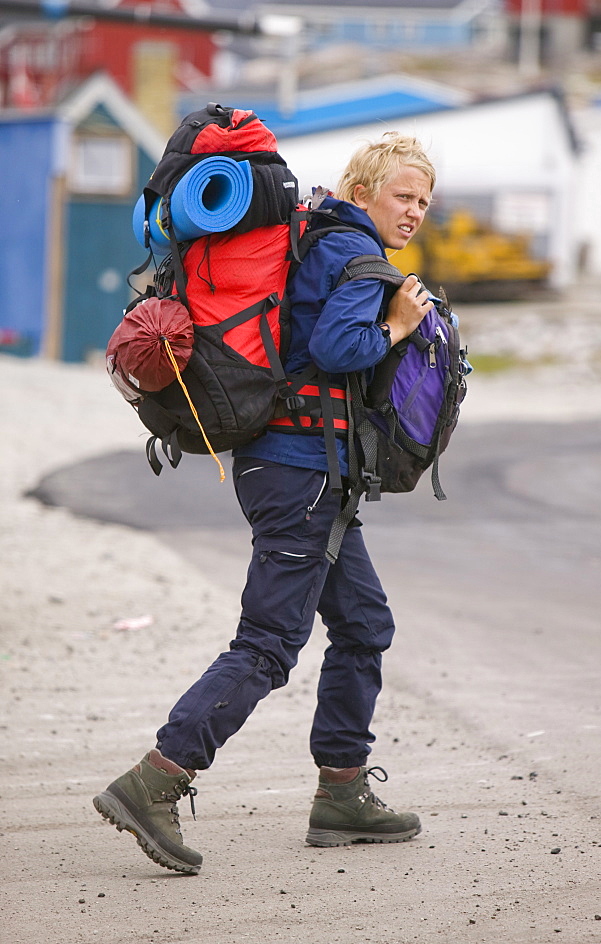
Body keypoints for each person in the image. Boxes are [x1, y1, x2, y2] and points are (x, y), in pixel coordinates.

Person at [93, 131, 436, 874]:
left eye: (424, 203)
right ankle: (156, 779)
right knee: (270, 642)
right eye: (404, 196)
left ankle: (341, 791)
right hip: (299, 469)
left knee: (364, 623)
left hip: (299, 469)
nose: (414, 212)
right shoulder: (352, 256)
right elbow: (345, 348)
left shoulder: (318, 237)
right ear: (365, 187)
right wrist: (397, 326)